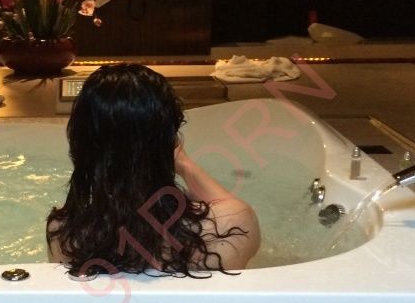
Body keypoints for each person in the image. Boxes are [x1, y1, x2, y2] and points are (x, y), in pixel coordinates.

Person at [46, 64, 260, 275]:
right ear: (171, 140)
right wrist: (184, 163)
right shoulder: (227, 227)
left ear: (80, 145)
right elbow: (229, 205)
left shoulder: (63, 233)